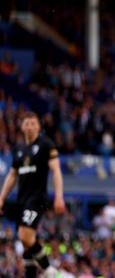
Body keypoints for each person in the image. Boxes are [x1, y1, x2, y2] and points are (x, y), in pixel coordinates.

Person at [0, 111, 65, 278]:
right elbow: (12, 175)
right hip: (22, 200)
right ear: (22, 127)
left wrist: (59, 197)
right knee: (26, 242)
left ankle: (50, 271)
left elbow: (56, 171)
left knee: (24, 235)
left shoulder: (45, 145)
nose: (29, 126)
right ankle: (31, 275)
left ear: (38, 126)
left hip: (37, 198)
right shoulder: (19, 150)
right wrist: (1, 197)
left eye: (32, 123)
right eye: (26, 123)